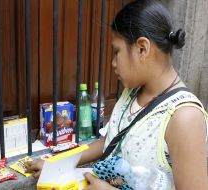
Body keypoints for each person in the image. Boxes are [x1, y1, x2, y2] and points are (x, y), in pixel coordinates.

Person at [27, 0, 208, 189]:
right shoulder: (132, 92)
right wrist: (56, 165)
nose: (113, 63)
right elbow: (109, 141)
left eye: (117, 52)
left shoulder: (184, 118)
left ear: (142, 48)